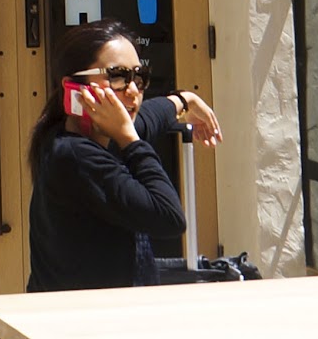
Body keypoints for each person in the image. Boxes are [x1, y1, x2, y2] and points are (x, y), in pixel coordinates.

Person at [26, 19, 223, 292]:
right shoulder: (75, 156)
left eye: (139, 77)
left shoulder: (88, 134)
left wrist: (185, 100)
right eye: (117, 77)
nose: (133, 90)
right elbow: (169, 218)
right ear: (75, 87)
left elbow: (150, 117)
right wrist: (130, 141)